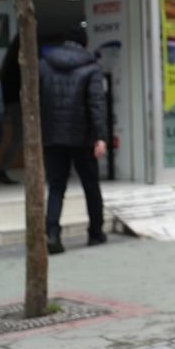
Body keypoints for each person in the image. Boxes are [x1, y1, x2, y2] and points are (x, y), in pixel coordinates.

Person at [40, 24, 108, 254]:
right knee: (90, 185)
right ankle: (96, 233)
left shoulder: (44, 65)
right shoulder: (91, 67)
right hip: (83, 138)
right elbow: (96, 104)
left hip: (52, 137)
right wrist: (100, 136)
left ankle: (52, 233)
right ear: (85, 44)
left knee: (56, 187)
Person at [0, 35, 21, 185]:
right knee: (18, 138)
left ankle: (2, 170)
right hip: (17, 104)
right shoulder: (17, 64)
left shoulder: (8, 63)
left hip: (11, 103)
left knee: (17, 138)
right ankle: (1, 169)